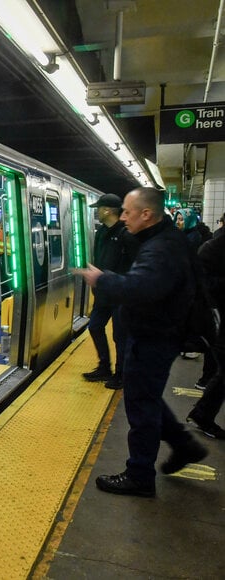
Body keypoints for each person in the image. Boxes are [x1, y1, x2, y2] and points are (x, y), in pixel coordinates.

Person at [73, 187, 208, 497]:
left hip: (154, 336)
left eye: (128, 213)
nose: (124, 218)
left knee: (141, 406)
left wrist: (102, 279)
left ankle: (139, 475)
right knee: (146, 396)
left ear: (146, 214)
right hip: (158, 334)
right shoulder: (162, 241)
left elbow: (142, 288)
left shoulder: (160, 248)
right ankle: (184, 445)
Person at [82, 194, 138, 389]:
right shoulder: (101, 233)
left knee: (120, 336)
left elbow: (136, 264)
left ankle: (121, 374)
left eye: (99, 208)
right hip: (103, 292)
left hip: (121, 294)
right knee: (95, 326)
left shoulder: (126, 234)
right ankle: (104, 366)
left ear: (108, 210)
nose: (96, 211)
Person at [187, 234, 225, 438]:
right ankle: (202, 414)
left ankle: (202, 414)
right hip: (217, 319)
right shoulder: (212, 248)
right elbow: (203, 284)